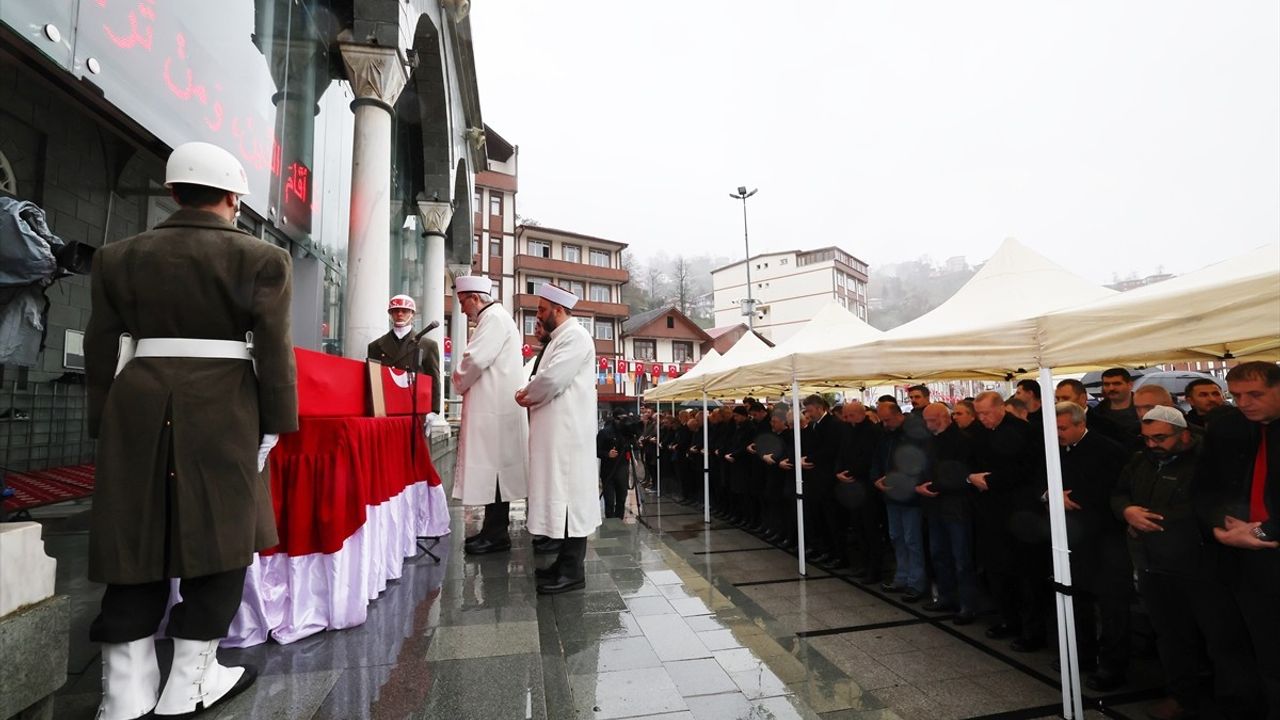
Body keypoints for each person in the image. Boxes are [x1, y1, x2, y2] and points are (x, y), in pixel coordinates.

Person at [84, 142, 297, 719]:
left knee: (133, 533)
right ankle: (190, 681)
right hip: (224, 403)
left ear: (173, 192)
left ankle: (123, 691)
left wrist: (101, 418)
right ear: (232, 198)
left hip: (137, 398)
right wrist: (278, 422)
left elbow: (99, 342)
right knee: (222, 533)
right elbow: (274, 352)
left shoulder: (117, 256)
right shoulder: (263, 259)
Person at [1116, 406, 1265, 720]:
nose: (1152, 444)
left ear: (1183, 434)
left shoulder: (1206, 461)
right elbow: (1119, 493)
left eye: (1160, 437)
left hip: (1202, 566)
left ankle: (1236, 705)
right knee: (1170, 636)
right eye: (1147, 438)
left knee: (1222, 639)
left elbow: (1210, 506)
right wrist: (1128, 512)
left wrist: (1154, 522)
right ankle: (1182, 697)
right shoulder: (1140, 460)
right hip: (1154, 564)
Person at [1197, 361, 1280, 719]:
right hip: (1236, 557)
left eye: (1256, 394)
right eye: (1237, 395)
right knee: (1249, 647)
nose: (1244, 402)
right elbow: (1204, 485)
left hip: (1270, 548)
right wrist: (1218, 527)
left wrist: (1262, 532)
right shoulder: (1228, 426)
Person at [516, 283, 601, 594]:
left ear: (559, 310)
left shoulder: (576, 337)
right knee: (559, 498)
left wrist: (526, 394)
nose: (538, 315)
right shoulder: (560, 338)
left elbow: (551, 379)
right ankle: (562, 564)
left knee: (571, 502)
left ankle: (572, 571)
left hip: (567, 435)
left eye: (541, 310)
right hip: (556, 432)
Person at [1054, 401, 1131, 691]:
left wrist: (1074, 499)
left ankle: (1112, 666)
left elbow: (1113, 490)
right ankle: (1082, 654)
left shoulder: (1109, 450)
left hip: (1105, 538)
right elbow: (1040, 479)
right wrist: (1050, 494)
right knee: (1076, 598)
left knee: (1111, 605)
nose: (1057, 434)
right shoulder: (1056, 448)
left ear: (1079, 424)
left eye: (1062, 428)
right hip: (1072, 539)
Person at [451, 275, 529, 556]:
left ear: (474, 298)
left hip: (494, 410)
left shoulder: (493, 318)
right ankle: (492, 531)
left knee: (496, 473)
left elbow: (475, 360)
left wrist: (456, 379)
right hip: (494, 407)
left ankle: (497, 535)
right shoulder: (495, 317)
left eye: (462, 302)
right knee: (494, 472)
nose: (461, 310)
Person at [917, 403, 978, 623]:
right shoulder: (930, 441)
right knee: (939, 555)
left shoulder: (963, 441)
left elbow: (962, 474)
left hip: (956, 506)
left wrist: (934, 486)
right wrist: (919, 485)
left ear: (943, 417)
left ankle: (967, 604)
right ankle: (946, 596)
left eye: (930, 420)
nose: (927, 424)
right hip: (935, 506)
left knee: (961, 558)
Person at [367, 294, 442, 415]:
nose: (400, 314)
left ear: (412, 314)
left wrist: (434, 411)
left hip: (415, 408)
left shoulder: (427, 345)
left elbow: (434, 379)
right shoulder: (375, 346)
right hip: (386, 406)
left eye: (405, 311)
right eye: (395, 311)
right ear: (390, 314)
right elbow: (372, 380)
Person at [598, 408, 633, 519]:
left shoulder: (627, 433)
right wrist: (607, 454)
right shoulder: (604, 432)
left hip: (622, 470)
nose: (622, 422)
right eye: (620, 419)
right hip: (608, 470)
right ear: (615, 418)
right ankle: (610, 523)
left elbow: (635, 446)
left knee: (622, 499)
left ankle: (620, 521)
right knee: (609, 500)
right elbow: (596, 450)